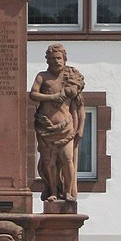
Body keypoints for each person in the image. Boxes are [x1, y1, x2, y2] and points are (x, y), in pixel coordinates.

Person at [30, 44, 85, 203]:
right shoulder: (43, 76)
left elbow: (80, 106)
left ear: (64, 59)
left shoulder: (71, 77)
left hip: (66, 128)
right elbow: (33, 94)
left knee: (67, 159)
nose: (56, 62)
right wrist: (52, 97)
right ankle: (53, 191)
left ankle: (68, 191)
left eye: (58, 58)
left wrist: (80, 128)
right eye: (52, 59)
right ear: (47, 61)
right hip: (45, 127)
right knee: (49, 161)